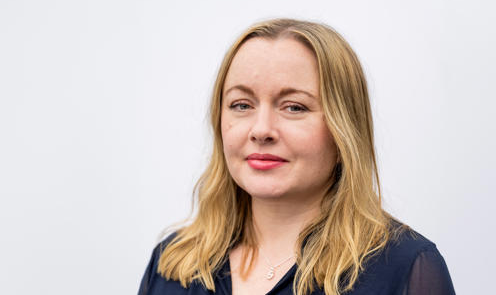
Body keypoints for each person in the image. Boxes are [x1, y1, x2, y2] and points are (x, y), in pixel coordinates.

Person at [138, 18, 455, 295]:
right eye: (241, 105)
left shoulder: (405, 268)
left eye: (294, 107)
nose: (261, 130)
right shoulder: (172, 263)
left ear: (343, 126)